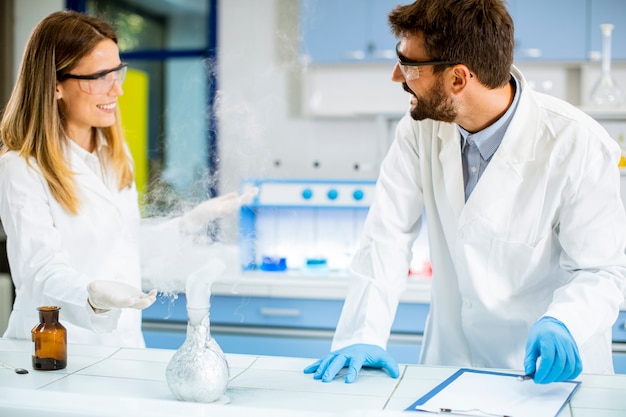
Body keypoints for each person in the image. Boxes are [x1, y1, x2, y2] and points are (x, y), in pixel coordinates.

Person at [305, 0, 626, 384]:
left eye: (410, 65)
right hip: (450, 366)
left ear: (458, 78)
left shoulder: (578, 143)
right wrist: (362, 335)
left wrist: (565, 321)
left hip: (546, 373)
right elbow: (386, 237)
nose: (397, 76)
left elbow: (602, 270)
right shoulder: (419, 129)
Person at [0, 10, 255, 348]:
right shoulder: (22, 167)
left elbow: (124, 244)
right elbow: (40, 271)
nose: (117, 90)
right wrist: (92, 295)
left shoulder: (115, 156)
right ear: (55, 85)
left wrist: (190, 221)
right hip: (58, 349)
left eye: (117, 71)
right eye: (100, 76)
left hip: (123, 343)